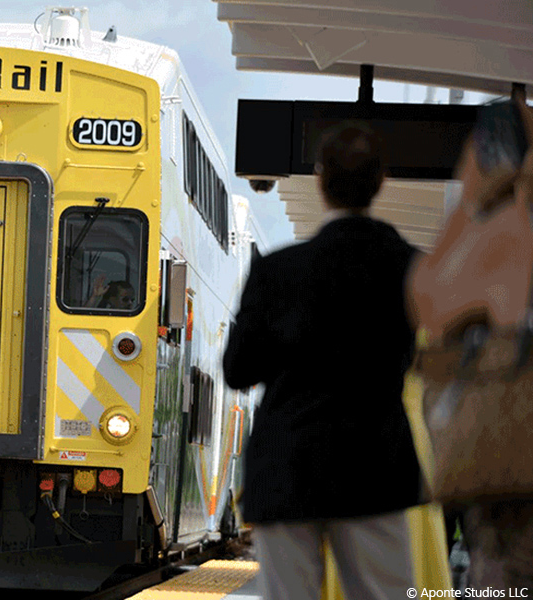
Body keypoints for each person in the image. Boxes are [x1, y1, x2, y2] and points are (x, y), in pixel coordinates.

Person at [223, 123, 423, 600]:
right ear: (382, 182)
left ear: (319, 180)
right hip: (376, 467)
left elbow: (237, 371)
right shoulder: (413, 268)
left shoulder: (276, 270)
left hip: (287, 466)